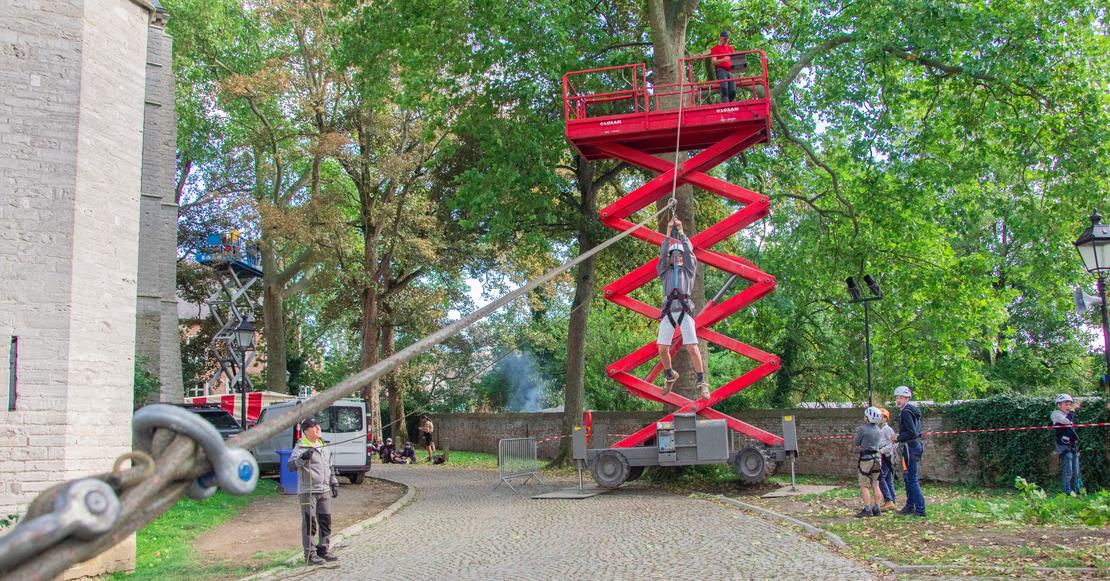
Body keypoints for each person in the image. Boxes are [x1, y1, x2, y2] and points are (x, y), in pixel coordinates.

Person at [657, 217, 710, 400]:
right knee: (662, 348)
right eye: (674, 255)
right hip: (669, 311)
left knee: (692, 347)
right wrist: (668, 231)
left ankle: (702, 383)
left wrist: (680, 231)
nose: (678, 257)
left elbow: (689, 253)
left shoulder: (688, 270)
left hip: (684, 310)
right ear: (671, 258)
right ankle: (670, 375)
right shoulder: (665, 272)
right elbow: (662, 254)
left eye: (679, 255)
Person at [289, 418, 340, 565]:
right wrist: (302, 458)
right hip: (308, 491)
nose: (318, 428)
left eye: (318, 425)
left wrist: (334, 483)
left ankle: (323, 549)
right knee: (310, 523)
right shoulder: (300, 447)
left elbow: (330, 466)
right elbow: (291, 466)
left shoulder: (323, 445)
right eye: (314, 426)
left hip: (324, 490)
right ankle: (310, 555)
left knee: (326, 521)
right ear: (306, 431)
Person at [893, 385, 926, 517]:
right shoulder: (911, 410)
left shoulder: (906, 412)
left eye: (901, 397)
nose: (898, 400)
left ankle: (920, 509)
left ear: (907, 398)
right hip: (912, 447)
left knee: (911, 479)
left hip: (910, 447)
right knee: (908, 478)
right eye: (897, 397)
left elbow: (912, 433)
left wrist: (897, 438)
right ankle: (910, 506)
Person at [854, 406, 885, 517]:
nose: (864, 417)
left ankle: (867, 509)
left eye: (866, 416)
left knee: (864, 485)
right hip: (877, 459)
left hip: (866, 460)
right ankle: (877, 508)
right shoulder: (878, 429)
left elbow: (857, 442)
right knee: (876, 484)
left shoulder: (863, 429)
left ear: (868, 417)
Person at [1051, 394, 1080, 494]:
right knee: (1068, 472)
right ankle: (1067, 494)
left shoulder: (1068, 415)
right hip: (1063, 447)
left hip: (1073, 446)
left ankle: (1075, 493)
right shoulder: (1056, 414)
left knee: (1076, 473)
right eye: (1066, 404)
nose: (1068, 406)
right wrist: (1072, 410)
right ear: (1059, 405)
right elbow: (1066, 421)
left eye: (1069, 404)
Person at [877, 408, 898, 511]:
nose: (879, 418)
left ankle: (888, 500)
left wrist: (882, 451)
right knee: (888, 479)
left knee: (881, 478)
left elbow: (893, 443)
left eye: (881, 416)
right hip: (884, 455)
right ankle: (892, 501)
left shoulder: (887, 429)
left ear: (886, 418)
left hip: (886, 456)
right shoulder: (879, 428)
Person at [709, 31, 736, 103]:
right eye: (724, 38)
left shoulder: (730, 48)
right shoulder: (715, 48)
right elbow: (713, 61)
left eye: (727, 39)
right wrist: (723, 59)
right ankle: (726, 105)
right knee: (725, 90)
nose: (726, 40)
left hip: (731, 70)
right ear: (720, 38)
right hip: (721, 70)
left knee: (733, 92)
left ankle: (729, 105)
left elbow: (735, 59)